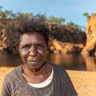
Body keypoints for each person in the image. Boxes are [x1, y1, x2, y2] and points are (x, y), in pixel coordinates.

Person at [1, 15, 78, 96]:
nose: (33, 53)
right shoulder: (11, 80)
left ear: (47, 47)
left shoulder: (61, 75)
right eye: (26, 47)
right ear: (18, 50)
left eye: (39, 46)